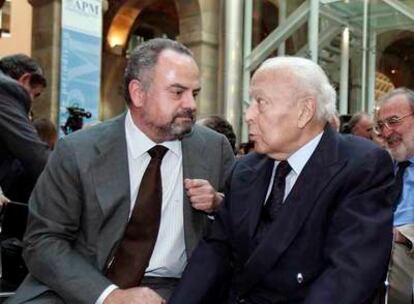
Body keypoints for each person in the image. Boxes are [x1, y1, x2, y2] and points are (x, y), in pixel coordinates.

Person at [8, 38, 234, 304]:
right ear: (138, 93)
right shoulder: (78, 151)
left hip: (173, 290)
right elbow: (42, 241)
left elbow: (245, 228)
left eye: (194, 94)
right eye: (177, 92)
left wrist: (218, 203)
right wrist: (108, 296)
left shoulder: (213, 148)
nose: (191, 105)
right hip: (78, 284)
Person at [169, 57, 395, 304]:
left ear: (304, 111)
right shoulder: (245, 171)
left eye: (260, 102)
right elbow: (214, 253)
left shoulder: (360, 167)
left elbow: (348, 277)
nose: (248, 115)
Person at [0, 54, 49, 287]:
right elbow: (34, 155)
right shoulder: (8, 90)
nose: (32, 103)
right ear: (25, 80)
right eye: (35, 94)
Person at [375, 88, 414, 304]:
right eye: (381, 126)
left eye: (394, 121)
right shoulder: (379, 167)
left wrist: (401, 235)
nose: (387, 132)